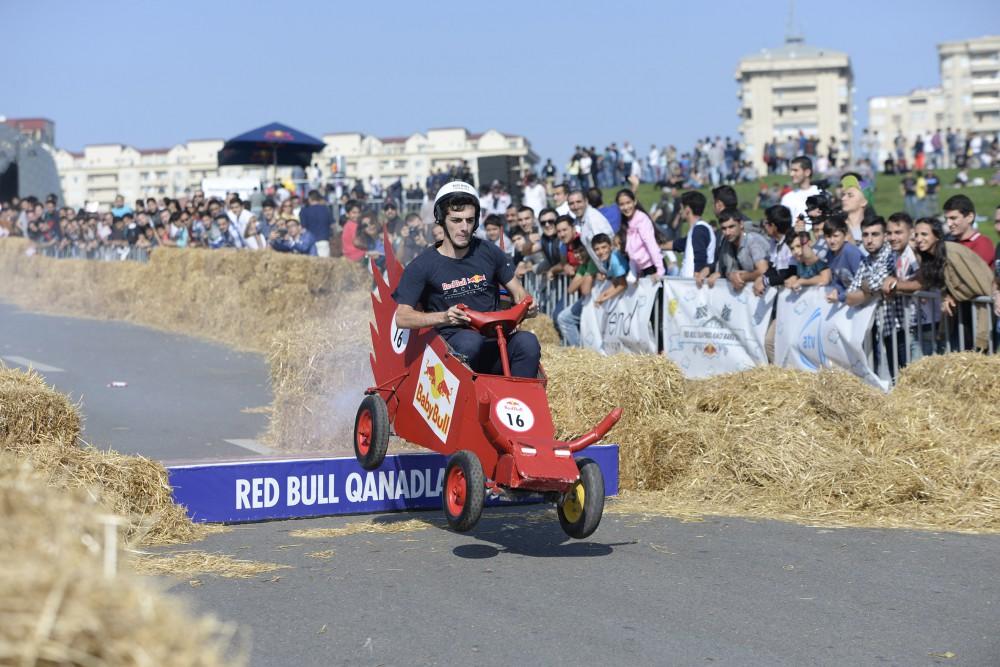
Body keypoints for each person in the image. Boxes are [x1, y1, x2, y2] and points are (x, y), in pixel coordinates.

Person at [392, 181, 540, 378]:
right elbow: (402, 317)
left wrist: (527, 306)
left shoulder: (488, 251)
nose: (464, 228)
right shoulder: (421, 265)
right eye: (456, 220)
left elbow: (519, 292)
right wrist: (444, 316)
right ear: (441, 219)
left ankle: (520, 402)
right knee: (470, 341)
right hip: (450, 349)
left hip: (494, 340)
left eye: (470, 220)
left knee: (528, 342)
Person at [912, 217, 994, 351]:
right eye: (916, 235)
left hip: (979, 311)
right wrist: (949, 295)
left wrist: (953, 295)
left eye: (924, 234)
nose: (919, 239)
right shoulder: (929, 257)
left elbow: (977, 285)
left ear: (937, 236)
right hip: (961, 314)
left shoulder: (952, 252)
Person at [660, 191, 716, 286]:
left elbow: (700, 256)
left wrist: (697, 275)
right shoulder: (696, 230)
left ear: (687, 209)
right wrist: (656, 245)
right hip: (689, 284)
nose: (680, 211)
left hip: (693, 286)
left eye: (681, 208)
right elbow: (678, 244)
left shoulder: (699, 230)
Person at [707, 209, 769, 291]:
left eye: (731, 227)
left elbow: (763, 271)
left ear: (741, 224)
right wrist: (724, 274)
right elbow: (726, 270)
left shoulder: (753, 240)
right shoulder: (725, 242)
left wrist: (741, 277)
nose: (727, 232)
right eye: (724, 228)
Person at [615, 188, 665, 280]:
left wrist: (660, 270)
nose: (626, 207)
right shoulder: (626, 222)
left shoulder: (642, 219)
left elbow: (651, 244)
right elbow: (632, 250)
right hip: (641, 270)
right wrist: (636, 271)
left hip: (653, 267)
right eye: (622, 204)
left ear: (634, 202)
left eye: (628, 202)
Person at [567, 189, 613, 271]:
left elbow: (605, 246)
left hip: (611, 270)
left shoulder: (593, 219)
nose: (575, 206)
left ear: (586, 201)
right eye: (571, 203)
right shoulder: (581, 219)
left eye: (578, 202)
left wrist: (607, 270)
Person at [943, 194, 993, 266]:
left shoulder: (982, 243)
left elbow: (972, 273)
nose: (948, 224)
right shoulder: (946, 241)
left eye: (953, 218)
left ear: (970, 217)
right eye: (946, 219)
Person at [822, 214, 863, 303]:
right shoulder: (830, 254)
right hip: (849, 299)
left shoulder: (850, 252)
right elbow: (837, 280)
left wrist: (842, 296)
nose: (832, 241)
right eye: (828, 237)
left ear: (845, 235)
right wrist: (836, 290)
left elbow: (862, 281)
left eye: (836, 236)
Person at [780, 156, 820, 226]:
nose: (791, 174)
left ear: (807, 172)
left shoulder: (820, 194)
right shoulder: (787, 198)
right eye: (791, 170)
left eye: (795, 170)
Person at [299, 190, 334, 257]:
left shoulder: (304, 211)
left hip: (309, 242)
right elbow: (332, 225)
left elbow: (303, 228)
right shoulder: (325, 209)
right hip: (324, 240)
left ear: (309, 198)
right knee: (324, 265)